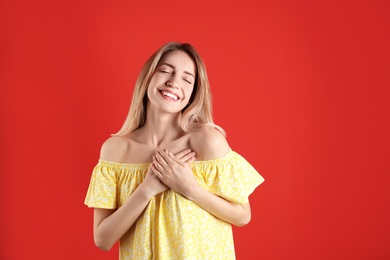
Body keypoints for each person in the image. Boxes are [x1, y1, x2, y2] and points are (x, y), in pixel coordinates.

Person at [84, 42, 265, 259]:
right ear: (148, 77)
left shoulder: (207, 142)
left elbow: (243, 216)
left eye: (187, 79)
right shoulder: (115, 150)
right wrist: (146, 190)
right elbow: (102, 240)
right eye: (165, 71)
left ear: (193, 92)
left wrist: (189, 188)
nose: (173, 82)